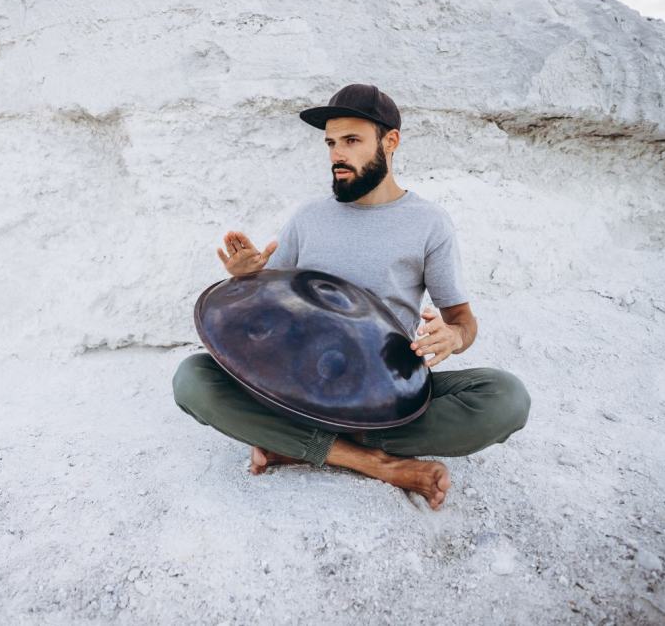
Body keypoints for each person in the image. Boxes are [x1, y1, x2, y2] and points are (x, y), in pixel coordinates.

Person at [172, 84, 531, 510]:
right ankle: (372, 462)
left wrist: (451, 337)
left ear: (390, 141)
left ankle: (299, 444)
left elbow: (462, 319)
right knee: (192, 378)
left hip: (382, 395)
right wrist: (246, 277)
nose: (336, 155)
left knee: (506, 397)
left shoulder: (429, 224)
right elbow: (266, 305)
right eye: (330, 143)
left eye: (352, 141)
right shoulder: (308, 217)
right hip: (296, 386)